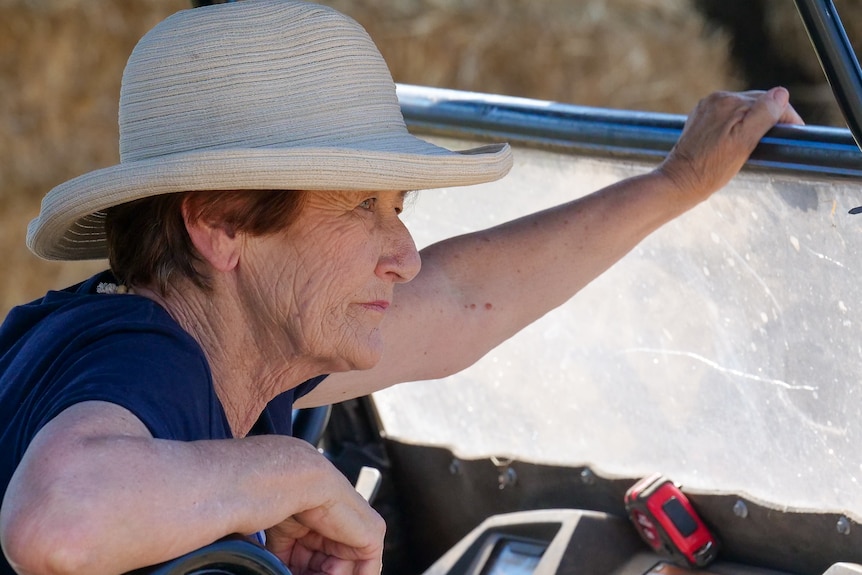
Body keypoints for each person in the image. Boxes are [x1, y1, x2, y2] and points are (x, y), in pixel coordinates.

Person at [0, 1, 804, 574]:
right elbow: (55, 524)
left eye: (397, 207)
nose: (404, 254)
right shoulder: (144, 361)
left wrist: (677, 183)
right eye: (359, 209)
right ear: (220, 225)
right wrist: (295, 471)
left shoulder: (236, 344)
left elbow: (460, 301)